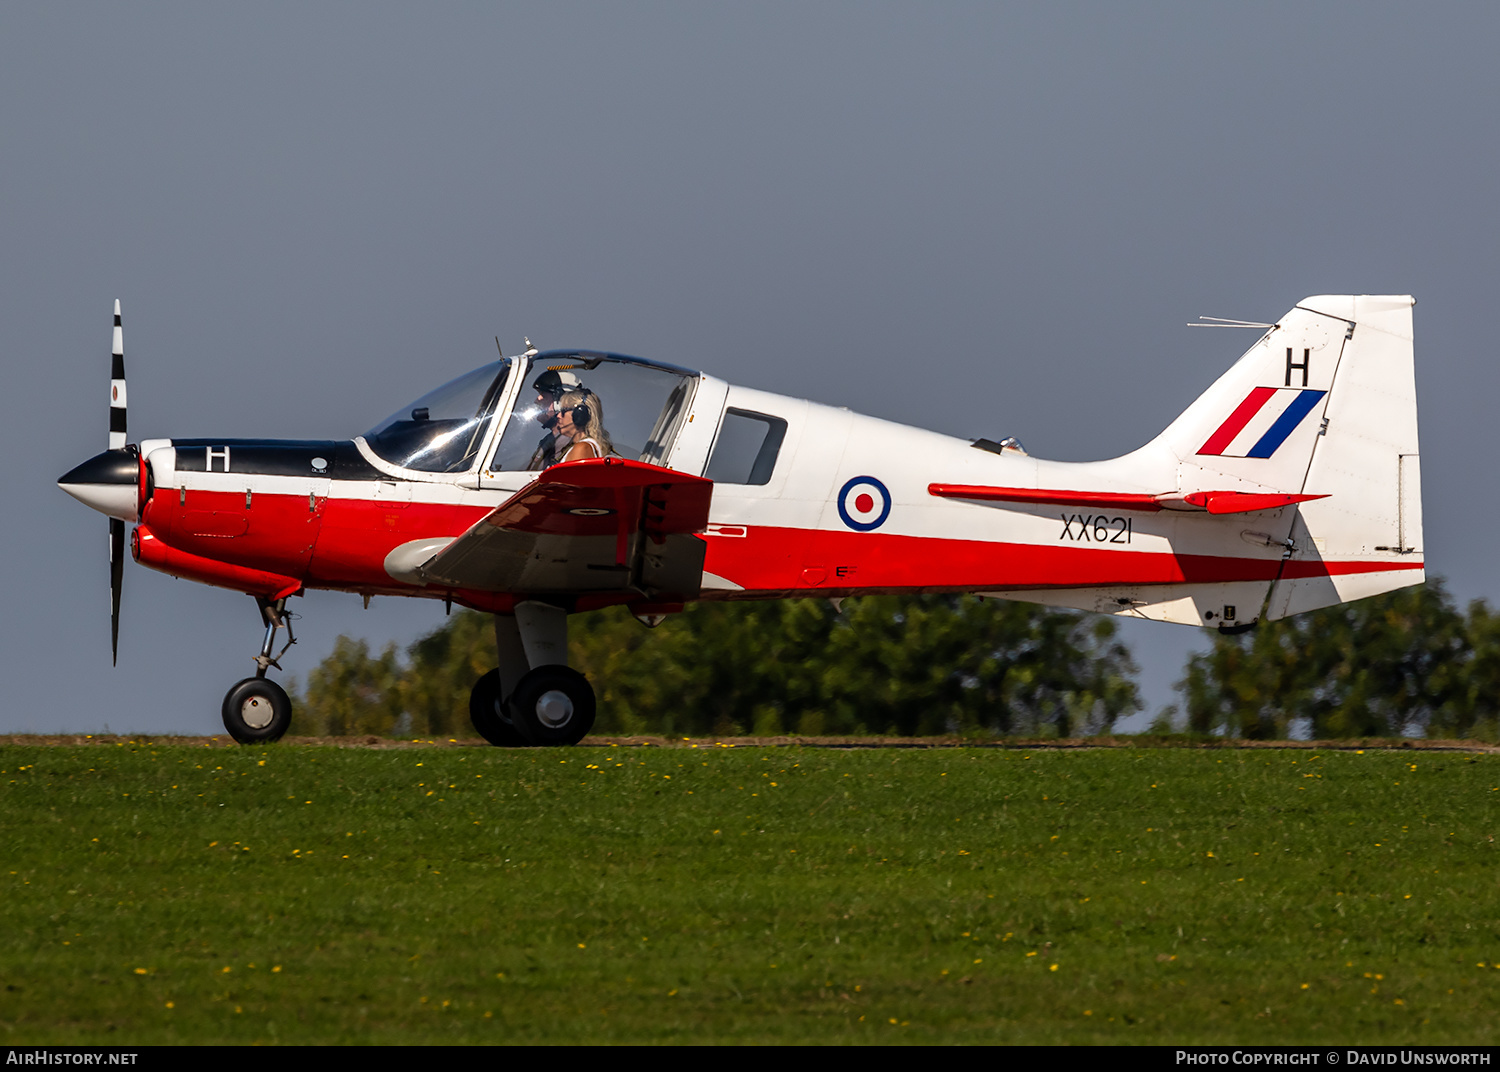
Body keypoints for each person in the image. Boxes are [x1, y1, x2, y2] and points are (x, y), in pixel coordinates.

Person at [526, 368, 583, 470]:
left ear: (560, 402)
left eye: (543, 395)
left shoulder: (568, 443)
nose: (537, 399)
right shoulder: (550, 441)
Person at [551, 388, 612, 463]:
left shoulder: (582, 448)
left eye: (563, 411)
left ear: (579, 414)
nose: (558, 416)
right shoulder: (586, 446)